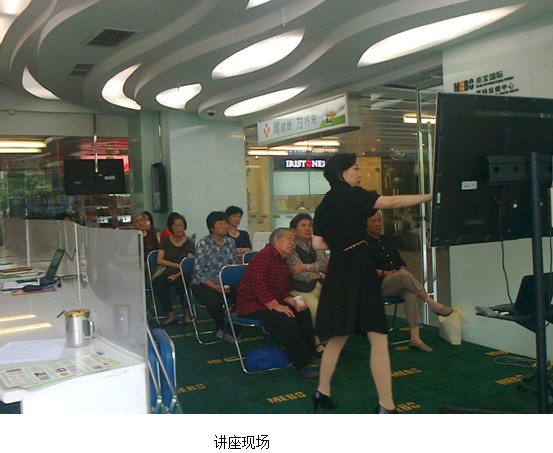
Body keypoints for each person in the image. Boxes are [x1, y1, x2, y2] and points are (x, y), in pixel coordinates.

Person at [311, 153, 432, 414]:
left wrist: (341, 242)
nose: (359, 174)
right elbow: (394, 201)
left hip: (339, 268)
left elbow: (317, 244)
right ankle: (386, 404)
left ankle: (322, 390)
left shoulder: (324, 204)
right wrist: (429, 196)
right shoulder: (353, 195)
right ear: (342, 173)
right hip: (359, 267)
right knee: (377, 336)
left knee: (338, 335)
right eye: (355, 169)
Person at [236, 227, 319, 379]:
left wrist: (291, 301)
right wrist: (276, 306)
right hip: (252, 304)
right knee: (285, 318)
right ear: (276, 240)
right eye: (289, 239)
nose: (293, 243)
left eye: (294, 240)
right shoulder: (264, 256)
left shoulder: (283, 260)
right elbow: (259, 284)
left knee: (302, 310)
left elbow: (282, 289)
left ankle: (309, 353)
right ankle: (300, 364)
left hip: (269, 301)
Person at [367, 210, 453, 353]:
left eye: (379, 220)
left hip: (398, 279)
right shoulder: (364, 244)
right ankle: (432, 304)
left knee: (411, 295)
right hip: (379, 284)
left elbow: (400, 261)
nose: (377, 224)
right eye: (373, 221)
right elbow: (365, 269)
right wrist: (385, 273)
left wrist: (401, 267)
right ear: (366, 224)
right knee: (403, 276)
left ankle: (415, 338)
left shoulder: (387, 240)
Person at [191, 211, 237, 341]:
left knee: (245, 294)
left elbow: (232, 266)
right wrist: (215, 287)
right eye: (220, 223)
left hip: (225, 282)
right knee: (215, 302)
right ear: (212, 228)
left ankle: (230, 326)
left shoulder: (230, 242)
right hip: (204, 284)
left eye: (226, 223)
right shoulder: (203, 244)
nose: (225, 226)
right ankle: (222, 327)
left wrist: (227, 284)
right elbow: (199, 272)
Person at [287, 213, 328, 355]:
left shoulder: (316, 243)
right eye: (303, 225)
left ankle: (332, 338)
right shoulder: (291, 246)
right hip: (299, 288)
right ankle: (314, 339)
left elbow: (323, 263)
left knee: (336, 302)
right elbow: (297, 273)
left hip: (320, 284)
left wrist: (306, 267)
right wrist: (319, 273)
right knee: (315, 309)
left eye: (310, 225)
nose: (308, 228)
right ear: (293, 230)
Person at [152, 212, 195, 326]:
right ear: (171, 228)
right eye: (175, 226)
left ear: (184, 226)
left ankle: (187, 313)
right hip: (167, 271)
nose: (178, 228)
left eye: (180, 225)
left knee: (182, 284)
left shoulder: (189, 243)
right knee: (158, 283)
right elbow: (160, 260)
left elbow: (188, 264)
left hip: (183, 273)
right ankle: (171, 314)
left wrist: (177, 274)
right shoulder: (165, 241)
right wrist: (176, 265)